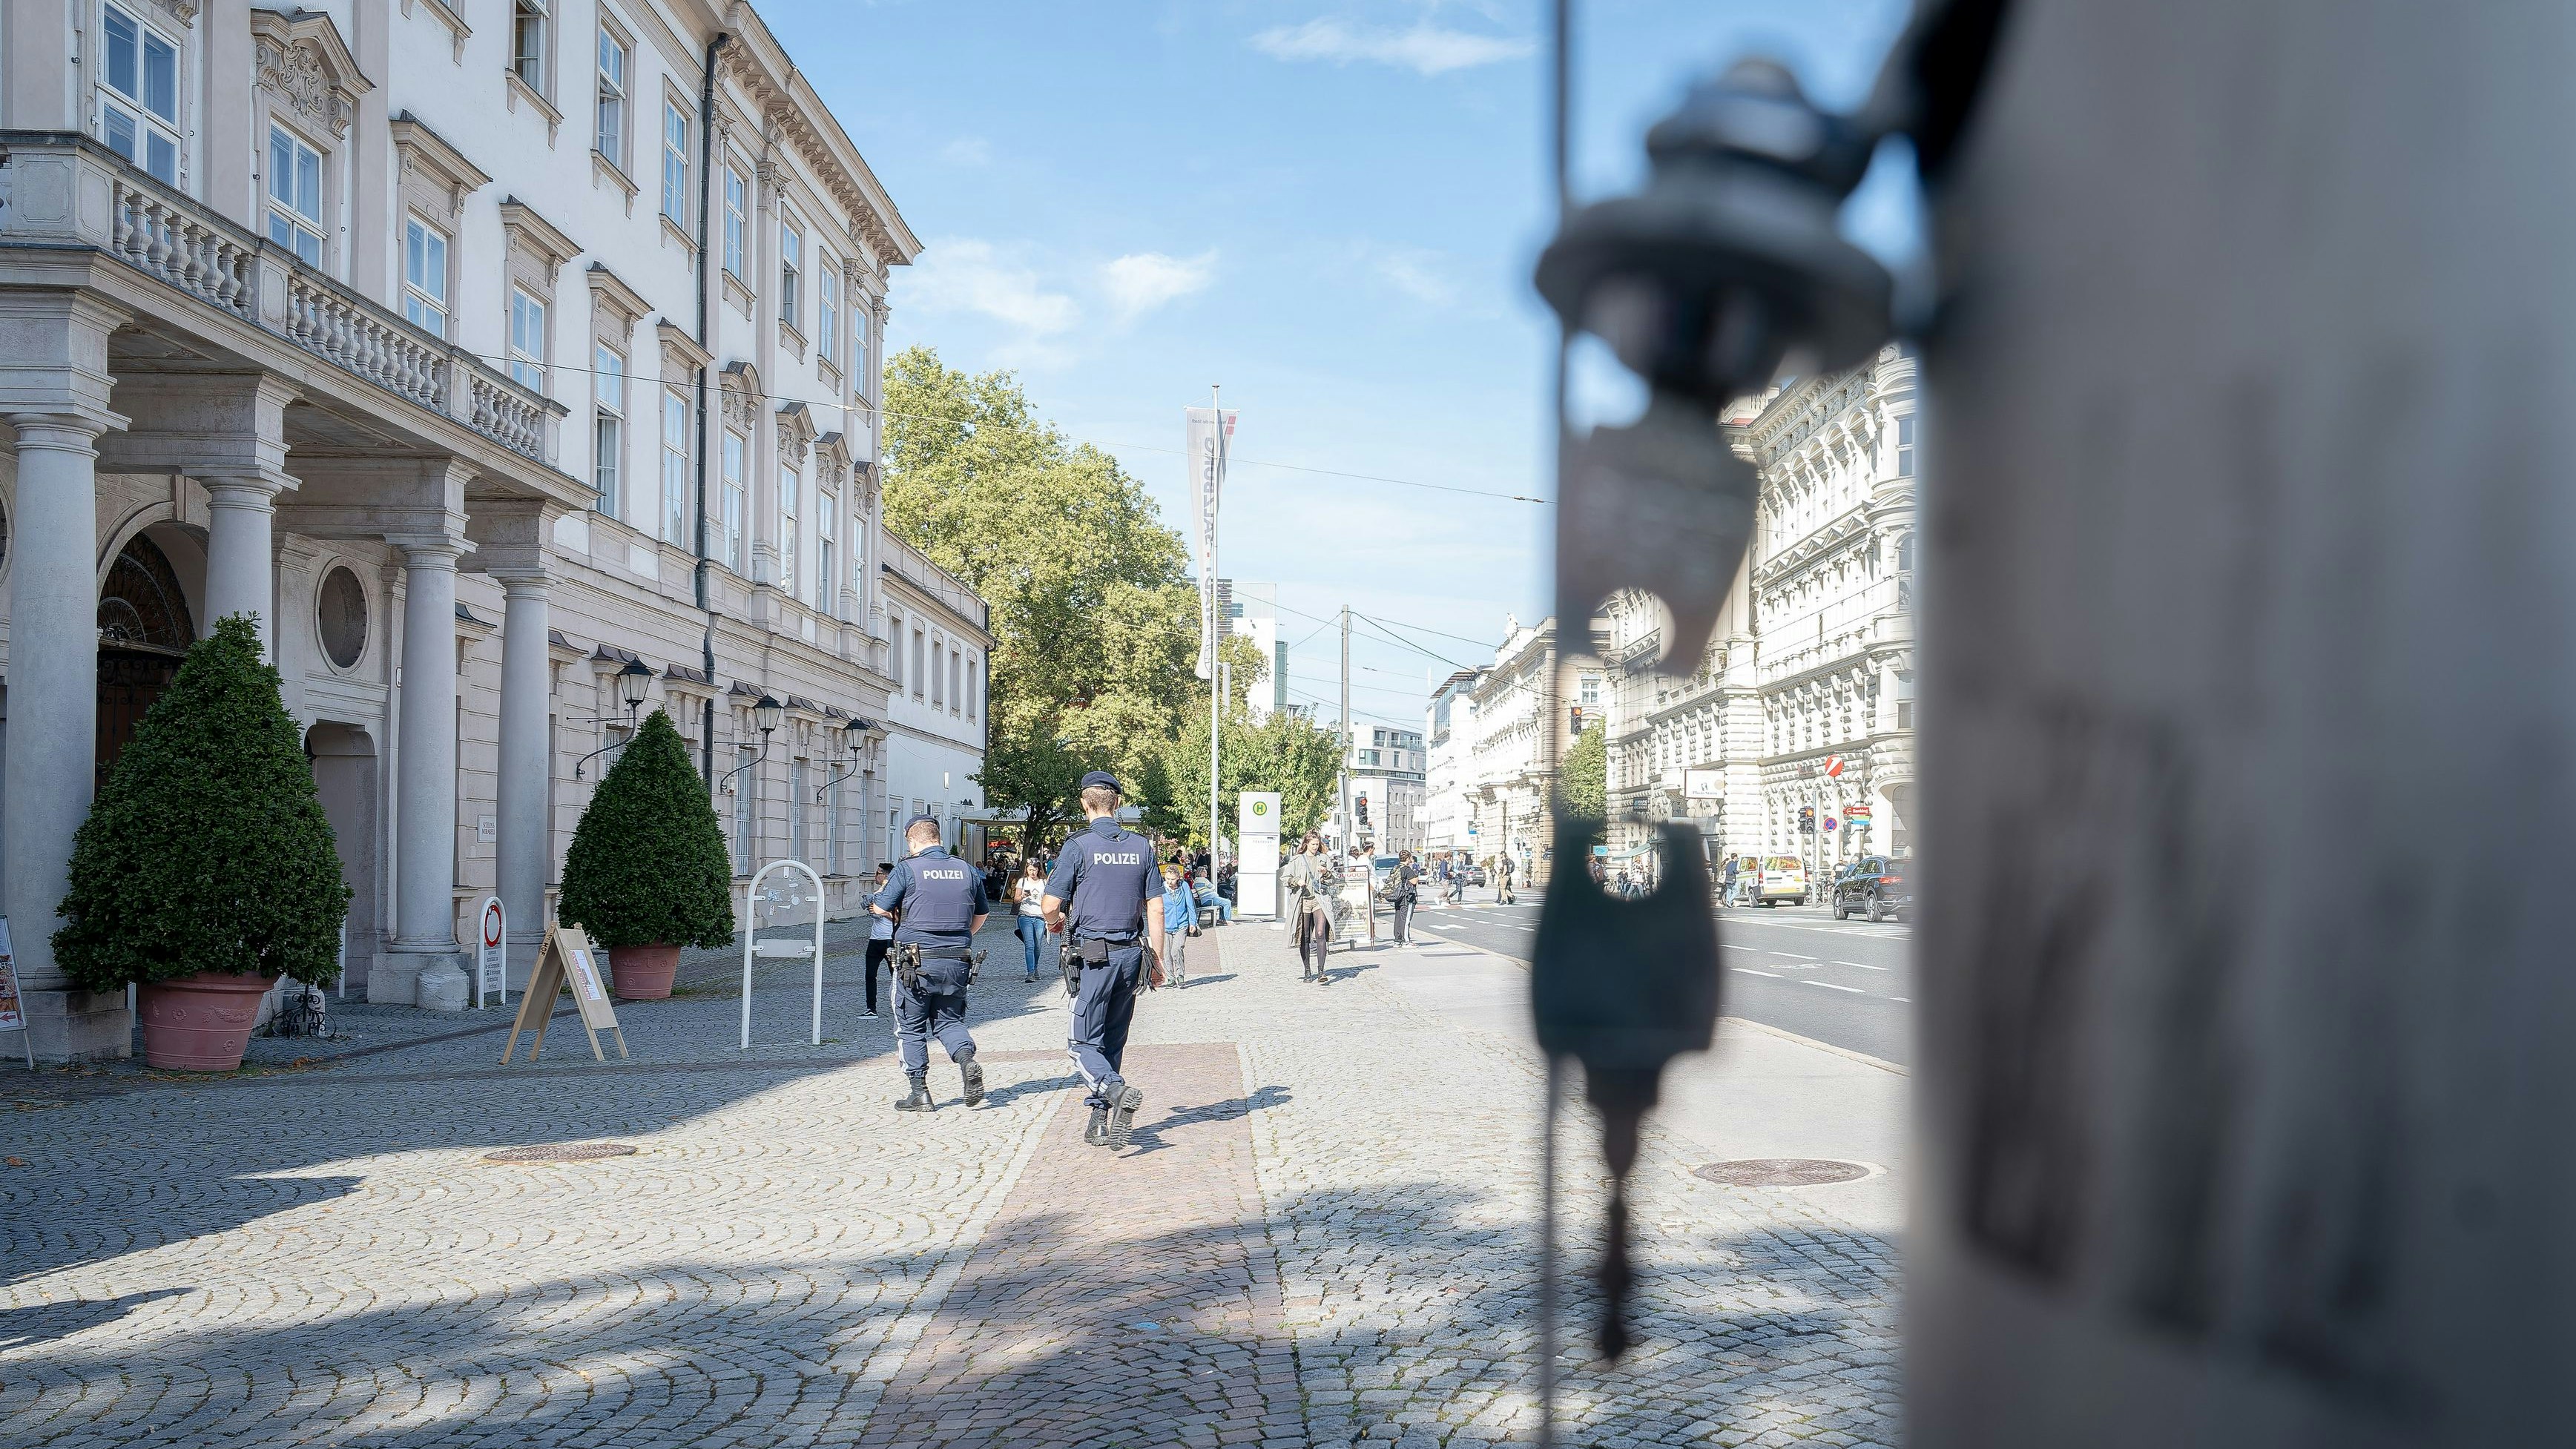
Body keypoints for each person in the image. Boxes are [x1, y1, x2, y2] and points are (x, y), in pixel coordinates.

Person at [1043, 771, 1163, 1149]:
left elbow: (1049, 904)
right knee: (1111, 1041)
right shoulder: (1143, 847)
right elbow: (1156, 908)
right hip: (1131, 955)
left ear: (1085, 803)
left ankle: (1113, 1088)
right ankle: (1099, 1121)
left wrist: (1055, 921)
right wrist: (1157, 963)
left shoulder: (1077, 847)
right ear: (1118, 803)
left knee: (1081, 1044)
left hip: (1094, 956)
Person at [873, 817, 989, 1112]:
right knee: (950, 1021)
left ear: (912, 842)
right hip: (958, 959)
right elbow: (982, 914)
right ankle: (966, 1060)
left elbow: (882, 907)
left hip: (915, 961)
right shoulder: (967, 870)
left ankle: (919, 1092)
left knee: (910, 1027)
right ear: (937, 837)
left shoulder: (907, 869)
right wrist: (960, 939)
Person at [1281, 831, 1334, 984]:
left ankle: (1321, 971)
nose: (1315, 847)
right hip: (1303, 900)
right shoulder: (1297, 859)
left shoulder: (1324, 859)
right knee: (1304, 936)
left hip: (1320, 899)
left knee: (1319, 933)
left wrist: (1326, 873)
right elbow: (1285, 878)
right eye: (1313, 844)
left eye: (1317, 845)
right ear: (1306, 844)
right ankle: (1307, 970)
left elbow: (1334, 879)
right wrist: (1296, 880)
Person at [861, 863, 895, 1017]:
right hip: (875, 939)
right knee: (870, 975)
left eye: (878, 873)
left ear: (886, 876)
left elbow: (899, 918)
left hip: (890, 940)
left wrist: (882, 912)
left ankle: (902, 1006)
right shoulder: (877, 894)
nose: (876, 876)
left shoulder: (895, 894)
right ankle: (871, 1008)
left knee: (896, 976)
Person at [1010, 859, 1051, 983]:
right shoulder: (1022, 882)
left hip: (1040, 916)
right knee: (1030, 945)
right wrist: (1023, 896)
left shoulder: (1044, 882)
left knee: (1038, 945)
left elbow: (1048, 899)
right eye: (1030, 870)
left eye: (1035, 869)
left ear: (1039, 870)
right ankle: (1030, 972)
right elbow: (1016, 900)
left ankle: (1036, 967)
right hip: (1025, 915)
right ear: (1026, 870)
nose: (1032, 872)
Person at [1159, 863, 1195, 987]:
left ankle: (1180, 975)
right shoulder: (1161, 888)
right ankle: (1170, 978)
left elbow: (1190, 904)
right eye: (1167, 878)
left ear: (1178, 877)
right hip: (1166, 925)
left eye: (1172, 879)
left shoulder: (1184, 886)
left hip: (1182, 924)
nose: (1169, 881)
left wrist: (1193, 922)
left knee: (1177, 949)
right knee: (1167, 953)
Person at [1390, 849, 1421, 945]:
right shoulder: (1407, 869)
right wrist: (1416, 875)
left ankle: (1397, 940)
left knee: (1398, 918)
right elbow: (1414, 881)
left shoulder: (1395, 868)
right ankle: (1406, 940)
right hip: (1407, 897)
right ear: (1408, 859)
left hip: (1397, 896)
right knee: (1406, 918)